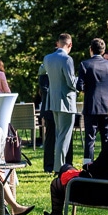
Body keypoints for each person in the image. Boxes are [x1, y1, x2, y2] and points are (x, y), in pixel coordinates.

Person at [77, 38, 108, 162]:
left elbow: (79, 86)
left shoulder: (85, 64)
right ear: (103, 50)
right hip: (107, 107)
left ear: (91, 49)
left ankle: (87, 165)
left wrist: (87, 90)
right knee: (107, 137)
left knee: (90, 139)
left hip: (91, 106)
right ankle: (107, 164)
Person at [44, 33, 77, 174]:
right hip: (67, 103)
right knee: (64, 136)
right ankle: (60, 168)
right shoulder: (67, 59)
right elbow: (71, 83)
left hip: (54, 102)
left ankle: (59, 166)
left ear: (58, 43)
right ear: (69, 45)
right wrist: (82, 80)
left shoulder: (47, 58)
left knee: (59, 135)